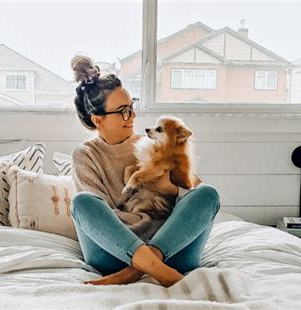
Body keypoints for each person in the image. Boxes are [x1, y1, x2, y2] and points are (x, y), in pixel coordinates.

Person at [70, 55, 220, 287]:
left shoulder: (153, 143)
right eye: (123, 111)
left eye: (131, 107)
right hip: (114, 253)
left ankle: (135, 273)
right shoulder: (85, 155)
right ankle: (153, 268)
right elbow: (98, 216)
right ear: (98, 120)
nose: (133, 116)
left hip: (170, 247)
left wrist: (168, 188)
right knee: (82, 203)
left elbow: (194, 194)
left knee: (208, 194)